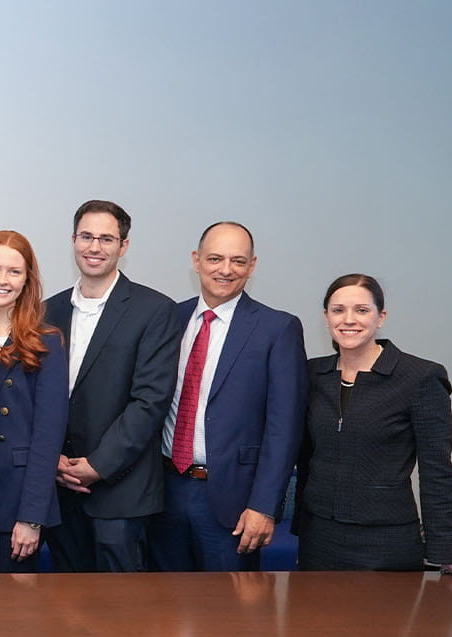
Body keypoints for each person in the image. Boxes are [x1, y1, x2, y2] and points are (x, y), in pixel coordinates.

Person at [150, 222, 306, 571]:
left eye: (238, 261)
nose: (225, 269)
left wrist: (264, 506)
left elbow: (284, 429)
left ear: (252, 266)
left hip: (232, 500)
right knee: (162, 612)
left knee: (230, 617)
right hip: (162, 492)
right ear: (197, 260)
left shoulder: (277, 328)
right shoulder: (166, 319)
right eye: (215, 258)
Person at [42, 200, 178, 572]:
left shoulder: (154, 310)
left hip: (121, 493)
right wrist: (51, 460)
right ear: (73, 240)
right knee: (67, 611)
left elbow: (150, 401)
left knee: (122, 615)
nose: (95, 247)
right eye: (86, 236)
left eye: (106, 238)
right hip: (59, 488)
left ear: (124, 246)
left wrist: (97, 466)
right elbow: (37, 399)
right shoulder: (47, 311)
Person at [294, 274, 452, 571]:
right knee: (313, 619)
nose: (349, 319)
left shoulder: (420, 377)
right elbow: (304, 456)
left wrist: (444, 549)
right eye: (338, 310)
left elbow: (437, 471)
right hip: (318, 537)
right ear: (326, 317)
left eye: (362, 310)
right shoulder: (312, 374)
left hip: (386, 540)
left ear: (381, 317)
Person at [0, 231, 67, 572]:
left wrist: (32, 518)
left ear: (27, 280)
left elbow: (48, 438)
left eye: (14, 272)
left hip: (16, 498)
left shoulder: (44, 342)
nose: (2, 280)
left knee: (12, 614)